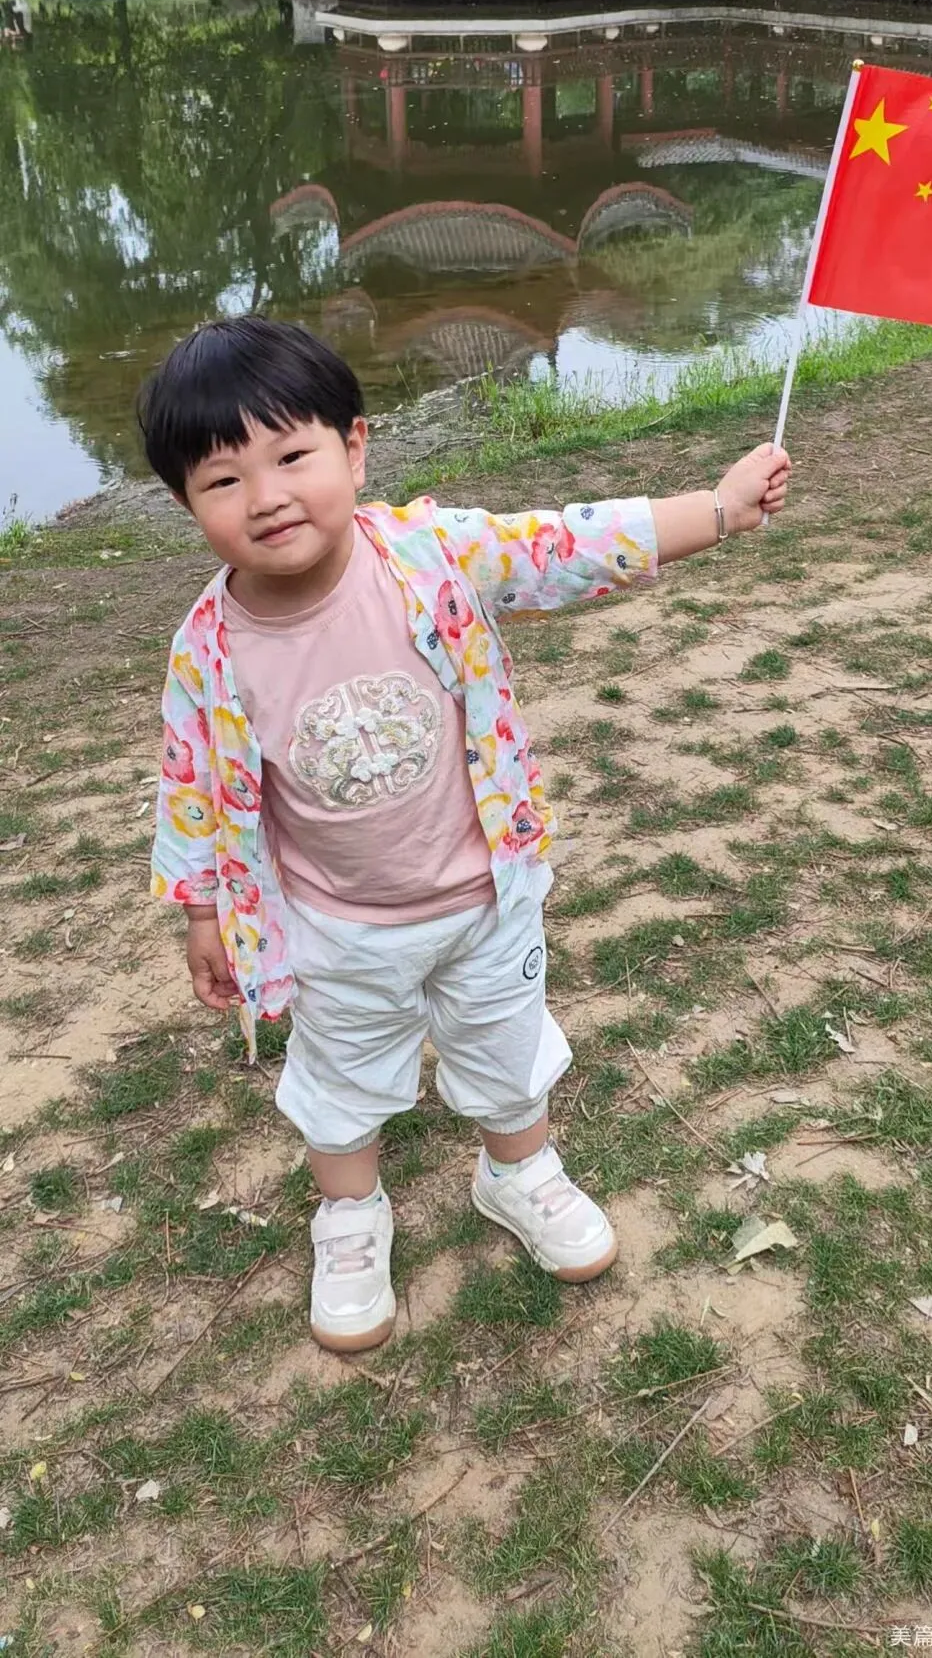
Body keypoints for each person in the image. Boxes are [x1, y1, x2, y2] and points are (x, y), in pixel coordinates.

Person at [139, 317, 791, 1354]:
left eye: (293, 456)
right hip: (337, 925)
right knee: (340, 1078)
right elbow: (193, 785)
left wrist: (716, 508)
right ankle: (350, 1214)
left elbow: (563, 544)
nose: (265, 497)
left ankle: (517, 1170)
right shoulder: (208, 649)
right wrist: (202, 910)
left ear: (356, 447)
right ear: (187, 502)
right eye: (223, 479)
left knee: (505, 1044)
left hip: (486, 896)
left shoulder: (429, 554)